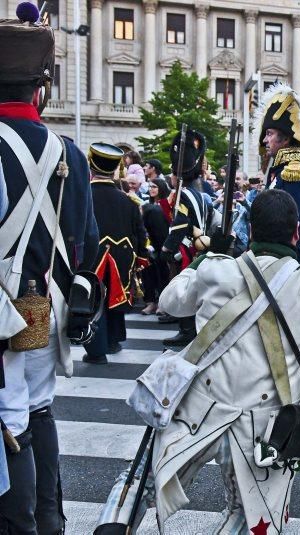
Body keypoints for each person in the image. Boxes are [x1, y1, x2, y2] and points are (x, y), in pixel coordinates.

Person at [104, 188, 300, 534]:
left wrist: (201, 259)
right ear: (297, 233)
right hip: (264, 431)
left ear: (252, 232)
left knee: (139, 485)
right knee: (250, 520)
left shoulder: (215, 270)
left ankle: (112, 526)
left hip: (197, 411)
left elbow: (169, 302)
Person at [0, 5, 99, 532]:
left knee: (10, 418)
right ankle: (49, 520)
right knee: (38, 410)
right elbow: (84, 246)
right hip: (43, 310)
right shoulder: (69, 154)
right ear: (39, 88)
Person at [82, 144, 149, 364]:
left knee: (94, 301)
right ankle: (114, 340)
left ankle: (97, 349)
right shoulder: (128, 201)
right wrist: (140, 257)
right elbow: (140, 232)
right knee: (114, 297)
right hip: (122, 257)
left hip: (92, 255)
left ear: (91, 165)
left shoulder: (84, 196)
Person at [159, 129, 210, 347]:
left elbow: (179, 224)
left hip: (186, 249)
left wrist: (167, 248)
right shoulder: (199, 193)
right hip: (197, 246)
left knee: (185, 290)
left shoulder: (185, 194)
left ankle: (187, 330)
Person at [257, 82, 300, 260]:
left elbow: (293, 224)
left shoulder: (293, 172)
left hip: (290, 256)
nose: (265, 140)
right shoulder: (280, 169)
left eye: (270, 134)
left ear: (286, 138)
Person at [141, 178, 172, 315]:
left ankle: (162, 303)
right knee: (147, 273)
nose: (151, 189)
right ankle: (150, 303)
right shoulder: (146, 204)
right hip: (149, 243)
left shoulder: (167, 204)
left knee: (162, 274)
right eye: (150, 186)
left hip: (163, 243)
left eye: (154, 186)